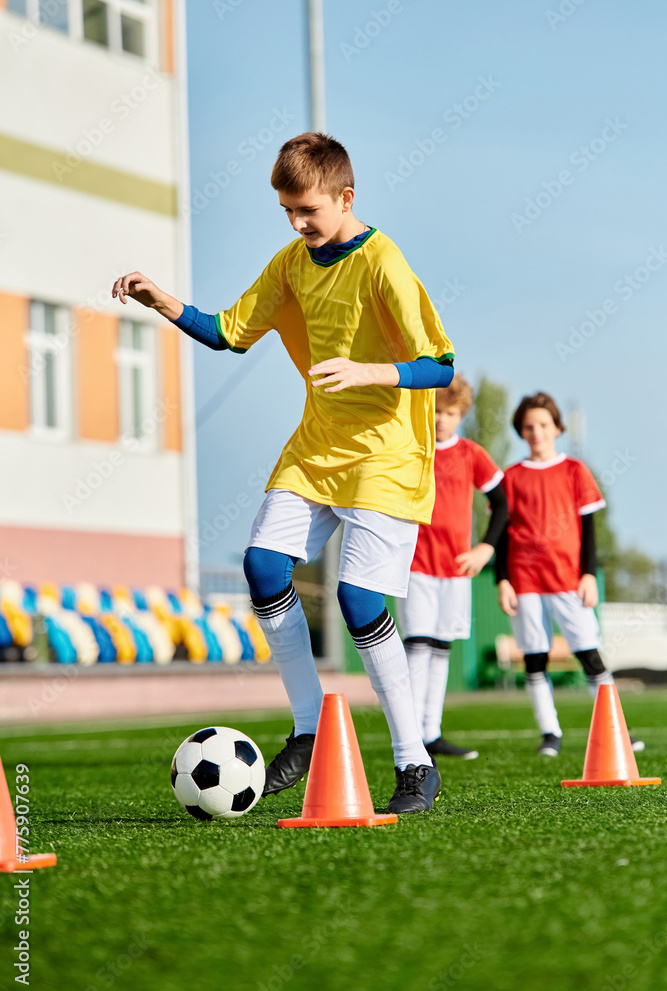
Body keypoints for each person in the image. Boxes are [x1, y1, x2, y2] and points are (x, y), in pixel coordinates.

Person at [112, 132, 456, 813]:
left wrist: (369, 370)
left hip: (385, 457)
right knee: (264, 567)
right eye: (287, 212)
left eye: (307, 211)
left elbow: (441, 364)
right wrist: (161, 299)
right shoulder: (292, 263)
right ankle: (306, 728)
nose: (298, 224)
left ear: (344, 197)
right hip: (315, 448)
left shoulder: (383, 262)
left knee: (360, 604)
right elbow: (226, 332)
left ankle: (415, 764)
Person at [495, 392, 644, 756]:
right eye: (529, 426)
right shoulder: (510, 477)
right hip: (525, 579)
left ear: (557, 428)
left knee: (590, 655)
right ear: (521, 431)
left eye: (543, 424)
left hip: (568, 579)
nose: (536, 432)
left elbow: (588, 528)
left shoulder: (575, 470)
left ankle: (616, 730)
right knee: (534, 657)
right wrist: (503, 580)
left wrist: (589, 574)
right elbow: (500, 532)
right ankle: (550, 733)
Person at [397, 375, 507, 760]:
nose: (442, 419)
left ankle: (432, 731)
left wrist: (485, 550)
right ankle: (408, 733)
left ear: (461, 414)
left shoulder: (471, 454)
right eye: (436, 411)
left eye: (450, 413)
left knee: (441, 647)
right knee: (417, 646)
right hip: (415, 567)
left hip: (456, 570)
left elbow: (502, 502)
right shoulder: (412, 448)